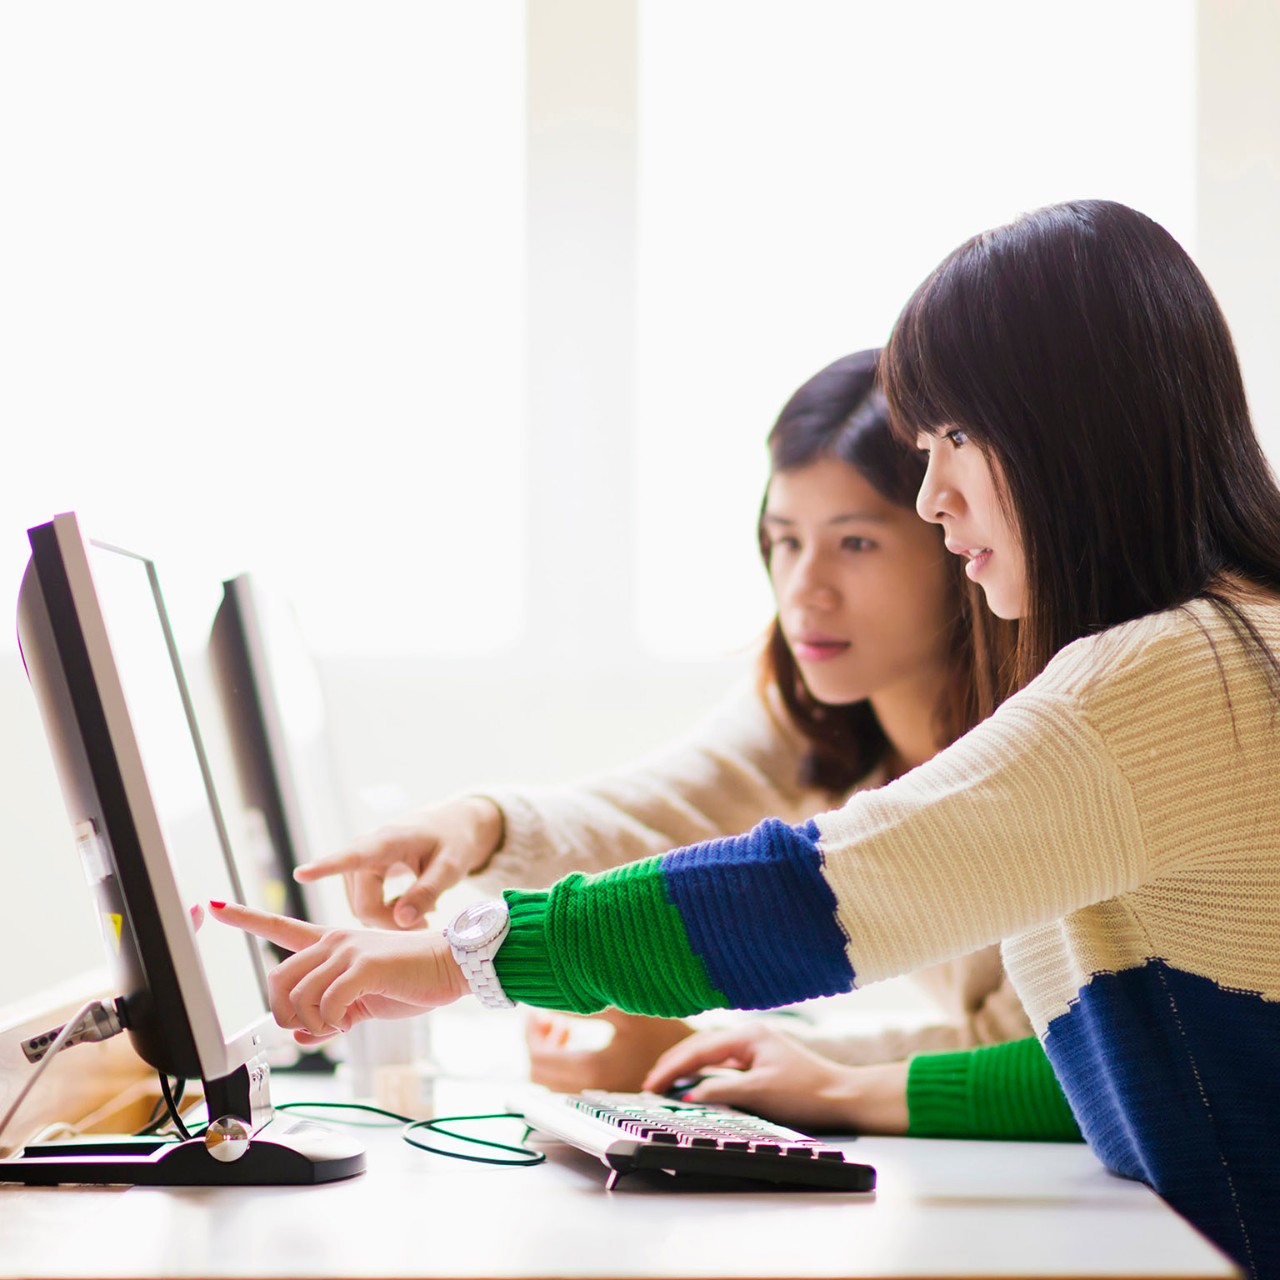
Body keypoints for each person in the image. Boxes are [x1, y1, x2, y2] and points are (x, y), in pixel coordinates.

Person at [212, 199, 1280, 1278]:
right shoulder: (1215, 651)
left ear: (1074, 433)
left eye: (959, 436)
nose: (933, 492)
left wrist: (461, 956)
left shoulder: (1180, 672)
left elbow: (816, 890)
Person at [288, 349, 1067, 1131]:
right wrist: (478, 824)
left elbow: (1062, 1054)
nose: (805, 590)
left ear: (957, 538)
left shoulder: (1051, 736)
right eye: (786, 540)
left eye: (855, 543)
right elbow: (652, 812)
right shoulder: (815, 708)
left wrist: (465, 961)